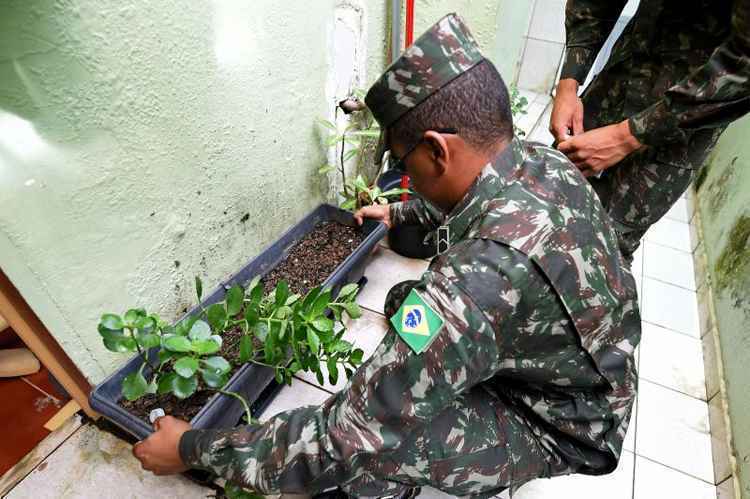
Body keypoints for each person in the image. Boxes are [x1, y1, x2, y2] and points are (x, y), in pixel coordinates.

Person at [133, 14, 641, 498]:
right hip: (581, 362)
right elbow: (474, 203)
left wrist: (190, 448)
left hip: (565, 422)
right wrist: (398, 215)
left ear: (438, 151)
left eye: (404, 163)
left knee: (378, 446)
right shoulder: (540, 161)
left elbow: (341, 439)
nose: (405, 175)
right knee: (405, 302)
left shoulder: (471, 288)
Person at [551, 0, 750, 260]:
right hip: (612, 88)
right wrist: (568, 83)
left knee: (597, 253)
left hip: (674, 131)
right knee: (546, 203)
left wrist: (626, 137)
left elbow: (744, 65)